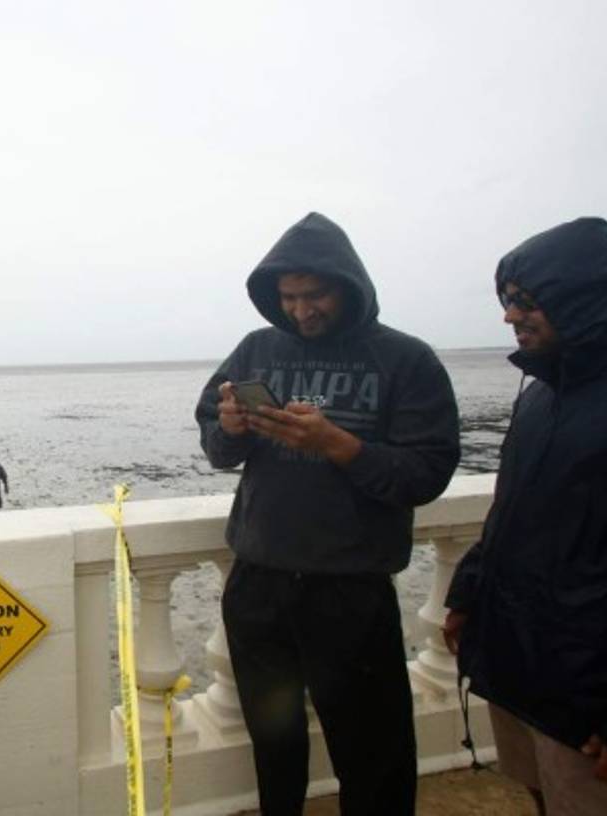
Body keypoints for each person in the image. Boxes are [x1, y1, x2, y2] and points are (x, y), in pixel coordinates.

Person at [195, 212, 460, 816]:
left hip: (350, 590)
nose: (301, 310)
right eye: (288, 297)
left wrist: (338, 445)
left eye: (315, 295)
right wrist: (231, 427)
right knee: (274, 745)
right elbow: (216, 445)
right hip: (259, 584)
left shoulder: (406, 360)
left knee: (373, 754)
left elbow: (427, 473)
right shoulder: (256, 349)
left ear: (349, 285)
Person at [443, 217, 607, 813]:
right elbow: (514, 510)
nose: (509, 316)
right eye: (506, 299)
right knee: (539, 795)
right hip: (519, 666)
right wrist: (468, 593)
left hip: (593, 695)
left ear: (583, 298)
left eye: (526, 301)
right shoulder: (541, 394)